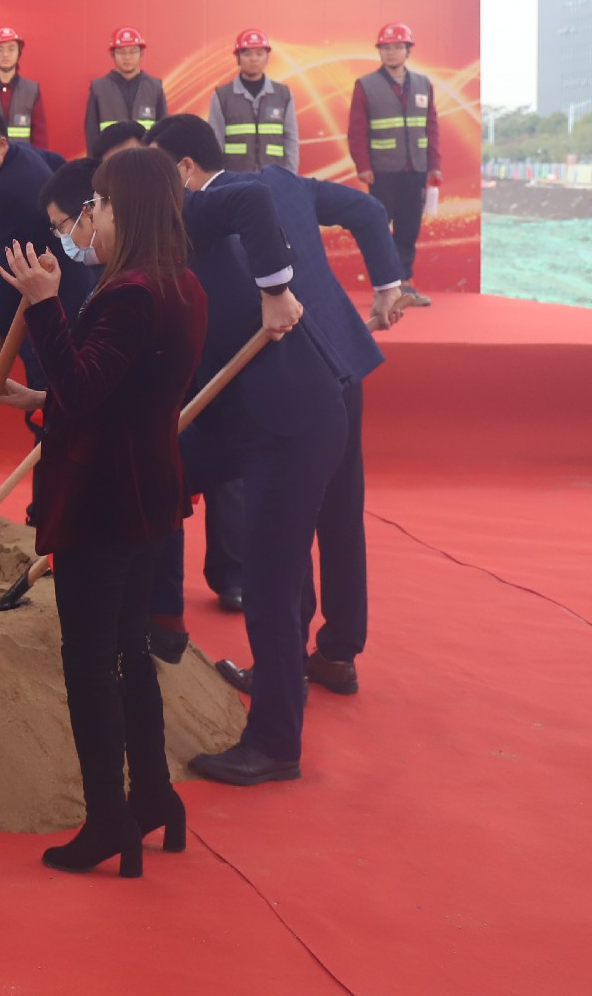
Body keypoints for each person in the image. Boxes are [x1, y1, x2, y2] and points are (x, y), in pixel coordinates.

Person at [148, 118, 406, 760]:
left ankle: (289, 675)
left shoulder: (213, 208)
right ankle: (336, 652)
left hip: (290, 380)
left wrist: (275, 293)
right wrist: (388, 284)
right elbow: (368, 210)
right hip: (337, 366)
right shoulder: (285, 181)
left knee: (284, 531)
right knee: (334, 518)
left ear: (183, 169)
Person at [0, 147, 207, 879]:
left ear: (130, 209)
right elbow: (119, 390)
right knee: (128, 652)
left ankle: (108, 816)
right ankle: (152, 796)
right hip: (149, 493)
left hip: (105, 500)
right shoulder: (181, 285)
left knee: (90, 661)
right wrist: (40, 398)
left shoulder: (131, 294)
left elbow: (86, 390)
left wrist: (44, 304)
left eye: (102, 205)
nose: (94, 218)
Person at [0, 106, 88, 400]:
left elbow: (12, 272)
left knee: (48, 388)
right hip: (52, 293)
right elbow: (59, 165)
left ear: (0, 144)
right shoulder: (20, 155)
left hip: (50, 304)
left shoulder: (11, 192)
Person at [347, 22, 439, 307]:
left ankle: (405, 284)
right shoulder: (366, 85)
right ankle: (385, 286)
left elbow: (431, 127)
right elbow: (356, 130)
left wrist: (434, 164)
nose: (392, 52)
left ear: (408, 50)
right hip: (382, 171)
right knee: (379, 229)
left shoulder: (423, 84)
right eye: (386, 47)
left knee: (409, 229)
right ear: (380, 51)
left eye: (398, 47)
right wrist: (363, 165)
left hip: (416, 170)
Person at [209, 30, 299, 174]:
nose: (253, 59)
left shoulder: (283, 95)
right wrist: (218, 177)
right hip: (235, 179)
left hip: (274, 178)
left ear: (267, 57)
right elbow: (215, 142)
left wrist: (290, 176)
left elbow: (291, 139)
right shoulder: (222, 96)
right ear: (238, 58)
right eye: (247, 54)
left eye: (259, 53)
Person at [82, 26, 168, 155]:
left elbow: (163, 131)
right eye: (121, 52)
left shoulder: (155, 87)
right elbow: (91, 132)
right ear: (112, 54)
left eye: (133, 51)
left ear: (141, 53)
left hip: (146, 159)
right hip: (110, 160)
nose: (127, 57)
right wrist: (94, 162)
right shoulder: (99, 88)